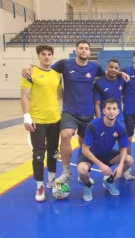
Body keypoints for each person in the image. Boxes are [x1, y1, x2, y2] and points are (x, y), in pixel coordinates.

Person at [22, 40, 128, 184]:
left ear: (89, 52)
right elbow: (45, 67)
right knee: (65, 136)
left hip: (87, 111)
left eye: (86, 48)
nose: (84, 50)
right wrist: (30, 66)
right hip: (70, 110)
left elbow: (110, 73)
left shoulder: (94, 67)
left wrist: (120, 72)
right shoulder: (64, 64)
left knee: (84, 142)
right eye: (81, 48)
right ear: (76, 50)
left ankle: (82, 169)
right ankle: (66, 172)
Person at [20, 45, 62, 202]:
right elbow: (24, 96)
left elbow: (61, 94)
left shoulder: (57, 74)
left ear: (52, 56)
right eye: (43, 54)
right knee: (38, 155)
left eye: (49, 54)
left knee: (53, 152)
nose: (46, 56)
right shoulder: (30, 73)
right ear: (38, 56)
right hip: (37, 121)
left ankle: (51, 179)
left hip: (55, 119)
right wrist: (26, 117)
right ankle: (39, 185)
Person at [77, 98, 133, 201]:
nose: (111, 111)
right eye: (109, 108)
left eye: (114, 109)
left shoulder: (120, 127)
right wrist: (99, 164)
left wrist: (120, 166)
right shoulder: (93, 125)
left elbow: (124, 148)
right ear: (104, 111)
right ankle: (88, 185)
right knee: (82, 171)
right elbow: (85, 150)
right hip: (89, 155)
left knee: (128, 160)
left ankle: (109, 181)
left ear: (118, 111)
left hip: (106, 154)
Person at [93, 58, 133, 181]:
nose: (113, 70)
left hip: (119, 117)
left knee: (124, 142)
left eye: (116, 68)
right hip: (105, 118)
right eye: (111, 67)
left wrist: (121, 73)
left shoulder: (122, 79)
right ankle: (99, 164)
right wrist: (99, 119)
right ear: (107, 67)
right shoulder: (99, 83)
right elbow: (97, 104)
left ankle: (126, 169)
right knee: (104, 143)